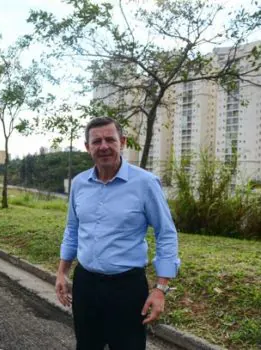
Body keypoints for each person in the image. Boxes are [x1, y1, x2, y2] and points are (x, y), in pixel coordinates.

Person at [56, 117, 180, 350]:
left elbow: (166, 233)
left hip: (127, 288)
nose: (104, 146)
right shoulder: (80, 183)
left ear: (122, 142)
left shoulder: (145, 183)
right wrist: (62, 272)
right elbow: (72, 230)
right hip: (85, 284)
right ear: (87, 147)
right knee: (86, 345)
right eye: (96, 141)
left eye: (110, 139)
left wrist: (160, 289)